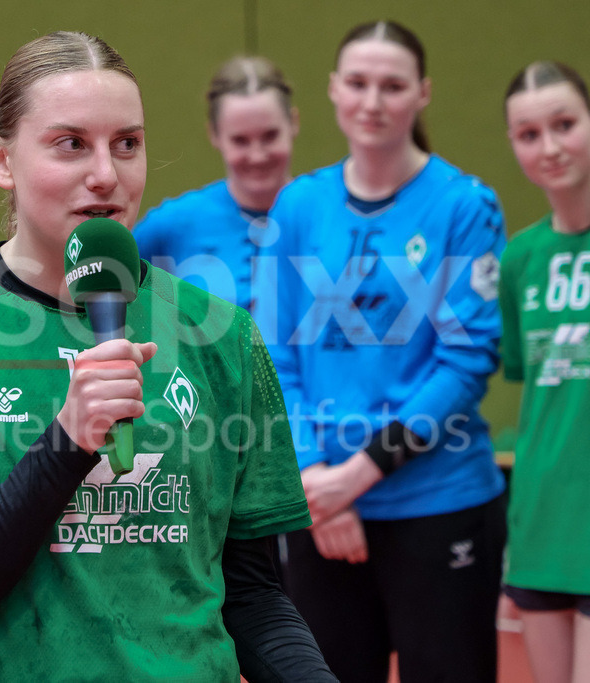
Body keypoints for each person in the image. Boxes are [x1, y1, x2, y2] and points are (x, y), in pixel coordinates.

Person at [0, 31, 335, 682]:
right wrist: (67, 442)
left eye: (126, 143)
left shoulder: (221, 334)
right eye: (70, 143)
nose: (106, 173)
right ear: (1, 159)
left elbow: (251, 594)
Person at [259, 20, 508, 683]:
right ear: (335, 92)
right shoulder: (298, 205)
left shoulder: (464, 205)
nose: (374, 101)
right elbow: (273, 356)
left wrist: (356, 476)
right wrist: (318, 481)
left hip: (439, 501)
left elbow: (464, 361)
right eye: (360, 83)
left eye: (392, 85)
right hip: (319, 508)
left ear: (422, 94)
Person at [500, 60, 590, 683]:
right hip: (541, 525)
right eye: (530, 134)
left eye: (566, 124)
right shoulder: (521, 258)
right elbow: (535, 383)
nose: (551, 147)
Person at [134, 56, 298, 327]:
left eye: (270, 136)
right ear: (214, 133)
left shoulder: (324, 214)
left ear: (294, 123)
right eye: (240, 140)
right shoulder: (173, 225)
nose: (257, 156)